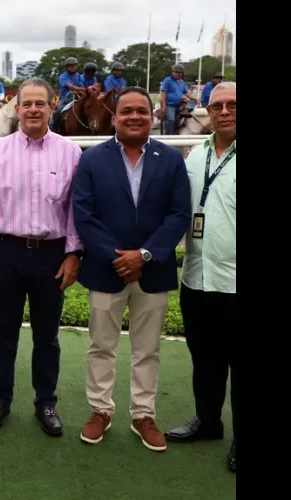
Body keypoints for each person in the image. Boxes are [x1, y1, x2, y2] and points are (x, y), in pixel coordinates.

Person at [71, 86, 191, 452]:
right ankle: (100, 410)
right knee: (101, 345)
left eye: (141, 110)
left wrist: (146, 255)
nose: (134, 116)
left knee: (147, 349)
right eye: (127, 111)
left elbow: (178, 215)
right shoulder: (92, 159)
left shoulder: (170, 159)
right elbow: (84, 215)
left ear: (151, 115)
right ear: (115, 116)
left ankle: (143, 414)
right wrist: (118, 257)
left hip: (152, 271)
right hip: (107, 269)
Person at [0, 78, 83, 436]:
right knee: (4, 333)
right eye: (26, 104)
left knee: (47, 336)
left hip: (51, 256)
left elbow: (74, 211)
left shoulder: (71, 152)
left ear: (53, 106)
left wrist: (73, 254)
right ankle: (0, 398)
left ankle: (46, 401)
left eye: (40, 103)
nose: (33, 109)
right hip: (7, 252)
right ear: (16, 109)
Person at [164, 82, 237, 472]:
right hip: (196, 278)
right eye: (217, 105)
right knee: (205, 360)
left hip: (235, 281)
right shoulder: (194, 157)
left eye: (232, 105)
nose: (224, 111)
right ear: (207, 110)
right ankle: (208, 422)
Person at [159, 64, 198, 135]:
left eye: (179, 72)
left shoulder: (182, 82)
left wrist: (196, 99)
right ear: (173, 72)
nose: (177, 73)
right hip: (170, 105)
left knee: (192, 109)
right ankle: (169, 135)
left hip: (179, 104)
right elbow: (163, 94)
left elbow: (187, 93)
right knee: (171, 120)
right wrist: (164, 107)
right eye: (176, 72)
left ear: (182, 73)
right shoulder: (167, 80)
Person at [50, 57, 84, 131]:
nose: (73, 67)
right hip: (66, 99)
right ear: (67, 67)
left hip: (79, 98)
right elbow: (71, 87)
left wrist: (81, 90)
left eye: (75, 65)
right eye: (71, 65)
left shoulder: (79, 76)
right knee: (58, 111)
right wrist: (84, 89)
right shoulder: (62, 76)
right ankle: (53, 129)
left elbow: (82, 86)